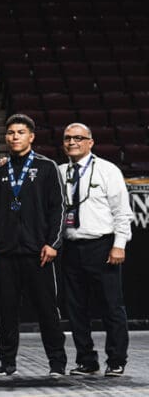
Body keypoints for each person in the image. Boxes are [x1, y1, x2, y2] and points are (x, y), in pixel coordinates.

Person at [0, 113, 67, 376]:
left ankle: (57, 363)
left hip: (38, 253)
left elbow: (58, 209)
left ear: (31, 136)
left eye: (20, 132)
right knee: (7, 312)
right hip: (6, 253)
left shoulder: (47, 167)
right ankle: (7, 363)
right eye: (10, 133)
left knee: (47, 310)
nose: (14, 137)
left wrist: (53, 243)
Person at [57, 123, 133, 377]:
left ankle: (116, 359)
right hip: (70, 248)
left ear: (91, 142)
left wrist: (119, 245)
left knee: (112, 306)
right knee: (76, 309)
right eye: (68, 138)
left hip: (102, 246)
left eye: (78, 138)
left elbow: (122, 212)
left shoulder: (107, 170)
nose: (72, 142)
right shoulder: (59, 172)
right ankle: (86, 361)